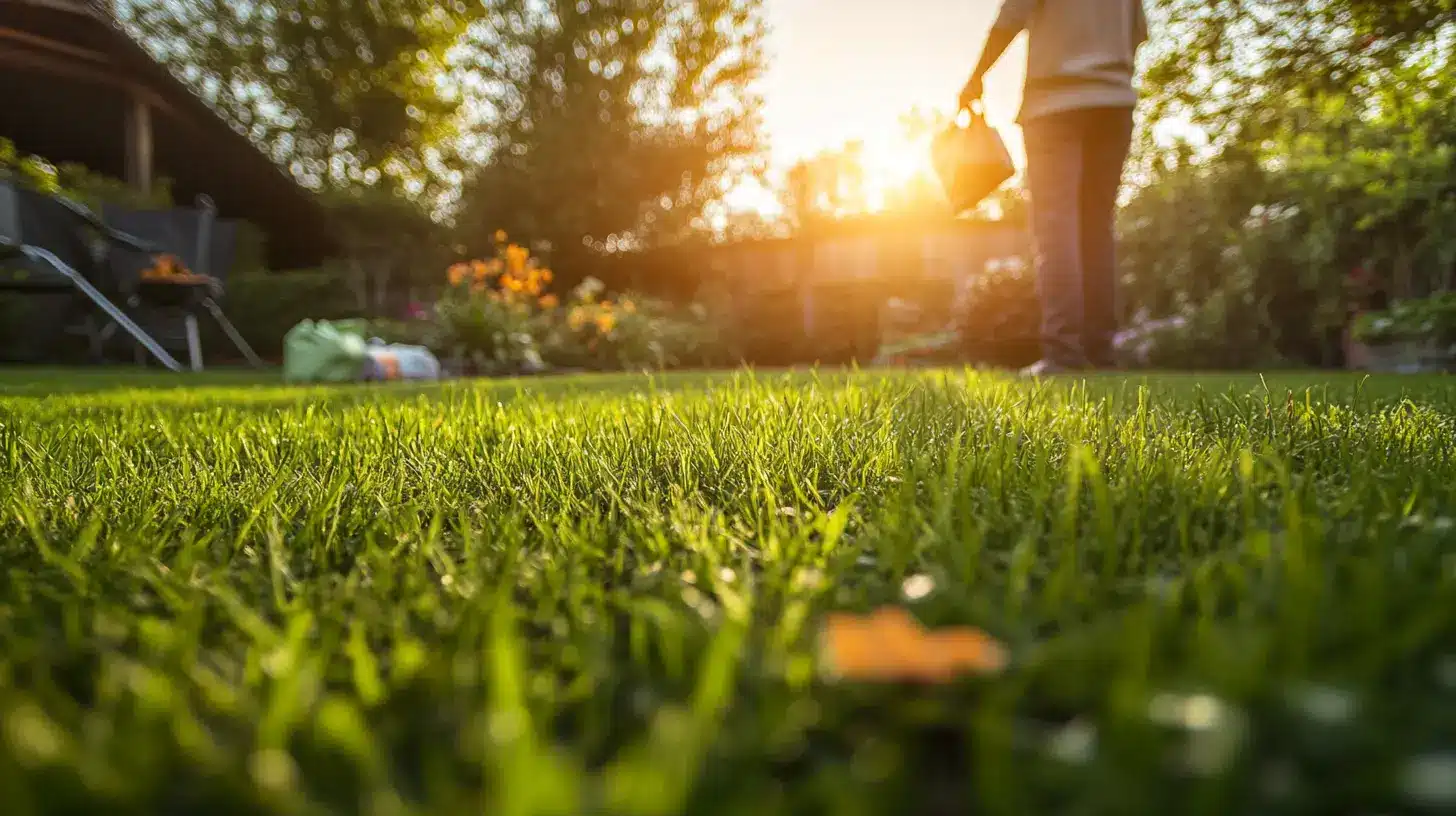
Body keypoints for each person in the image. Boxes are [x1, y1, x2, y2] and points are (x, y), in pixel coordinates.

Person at [959, 0, 1149, 374]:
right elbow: (1138, 33)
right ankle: (1101, 351)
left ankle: (1064, 353)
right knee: (1097, 228)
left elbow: (1010, 17)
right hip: (1114, 102)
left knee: (1055, 227)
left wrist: (976, 77)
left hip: (1054, 103)